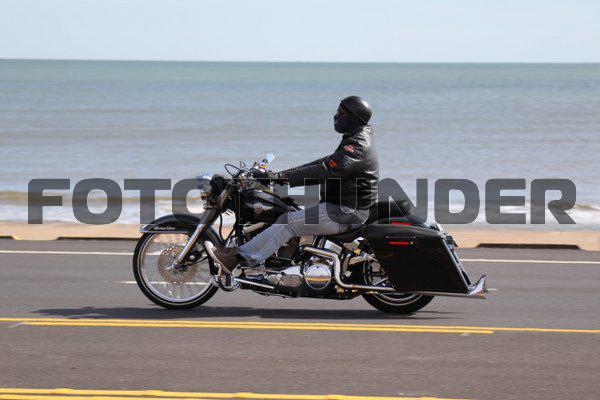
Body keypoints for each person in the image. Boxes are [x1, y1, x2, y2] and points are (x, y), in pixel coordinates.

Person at [205, 96, 379, 273]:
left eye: (341, 113)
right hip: (342, 207)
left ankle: (237, 258)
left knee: (288, 222)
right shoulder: (355, 139)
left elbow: (324, 170)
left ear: (354, 117)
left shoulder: (357, 146)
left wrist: (277, 178)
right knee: (287, 210)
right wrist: (276, 176)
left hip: (345, 211)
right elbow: (321, 164)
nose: (336, 116)